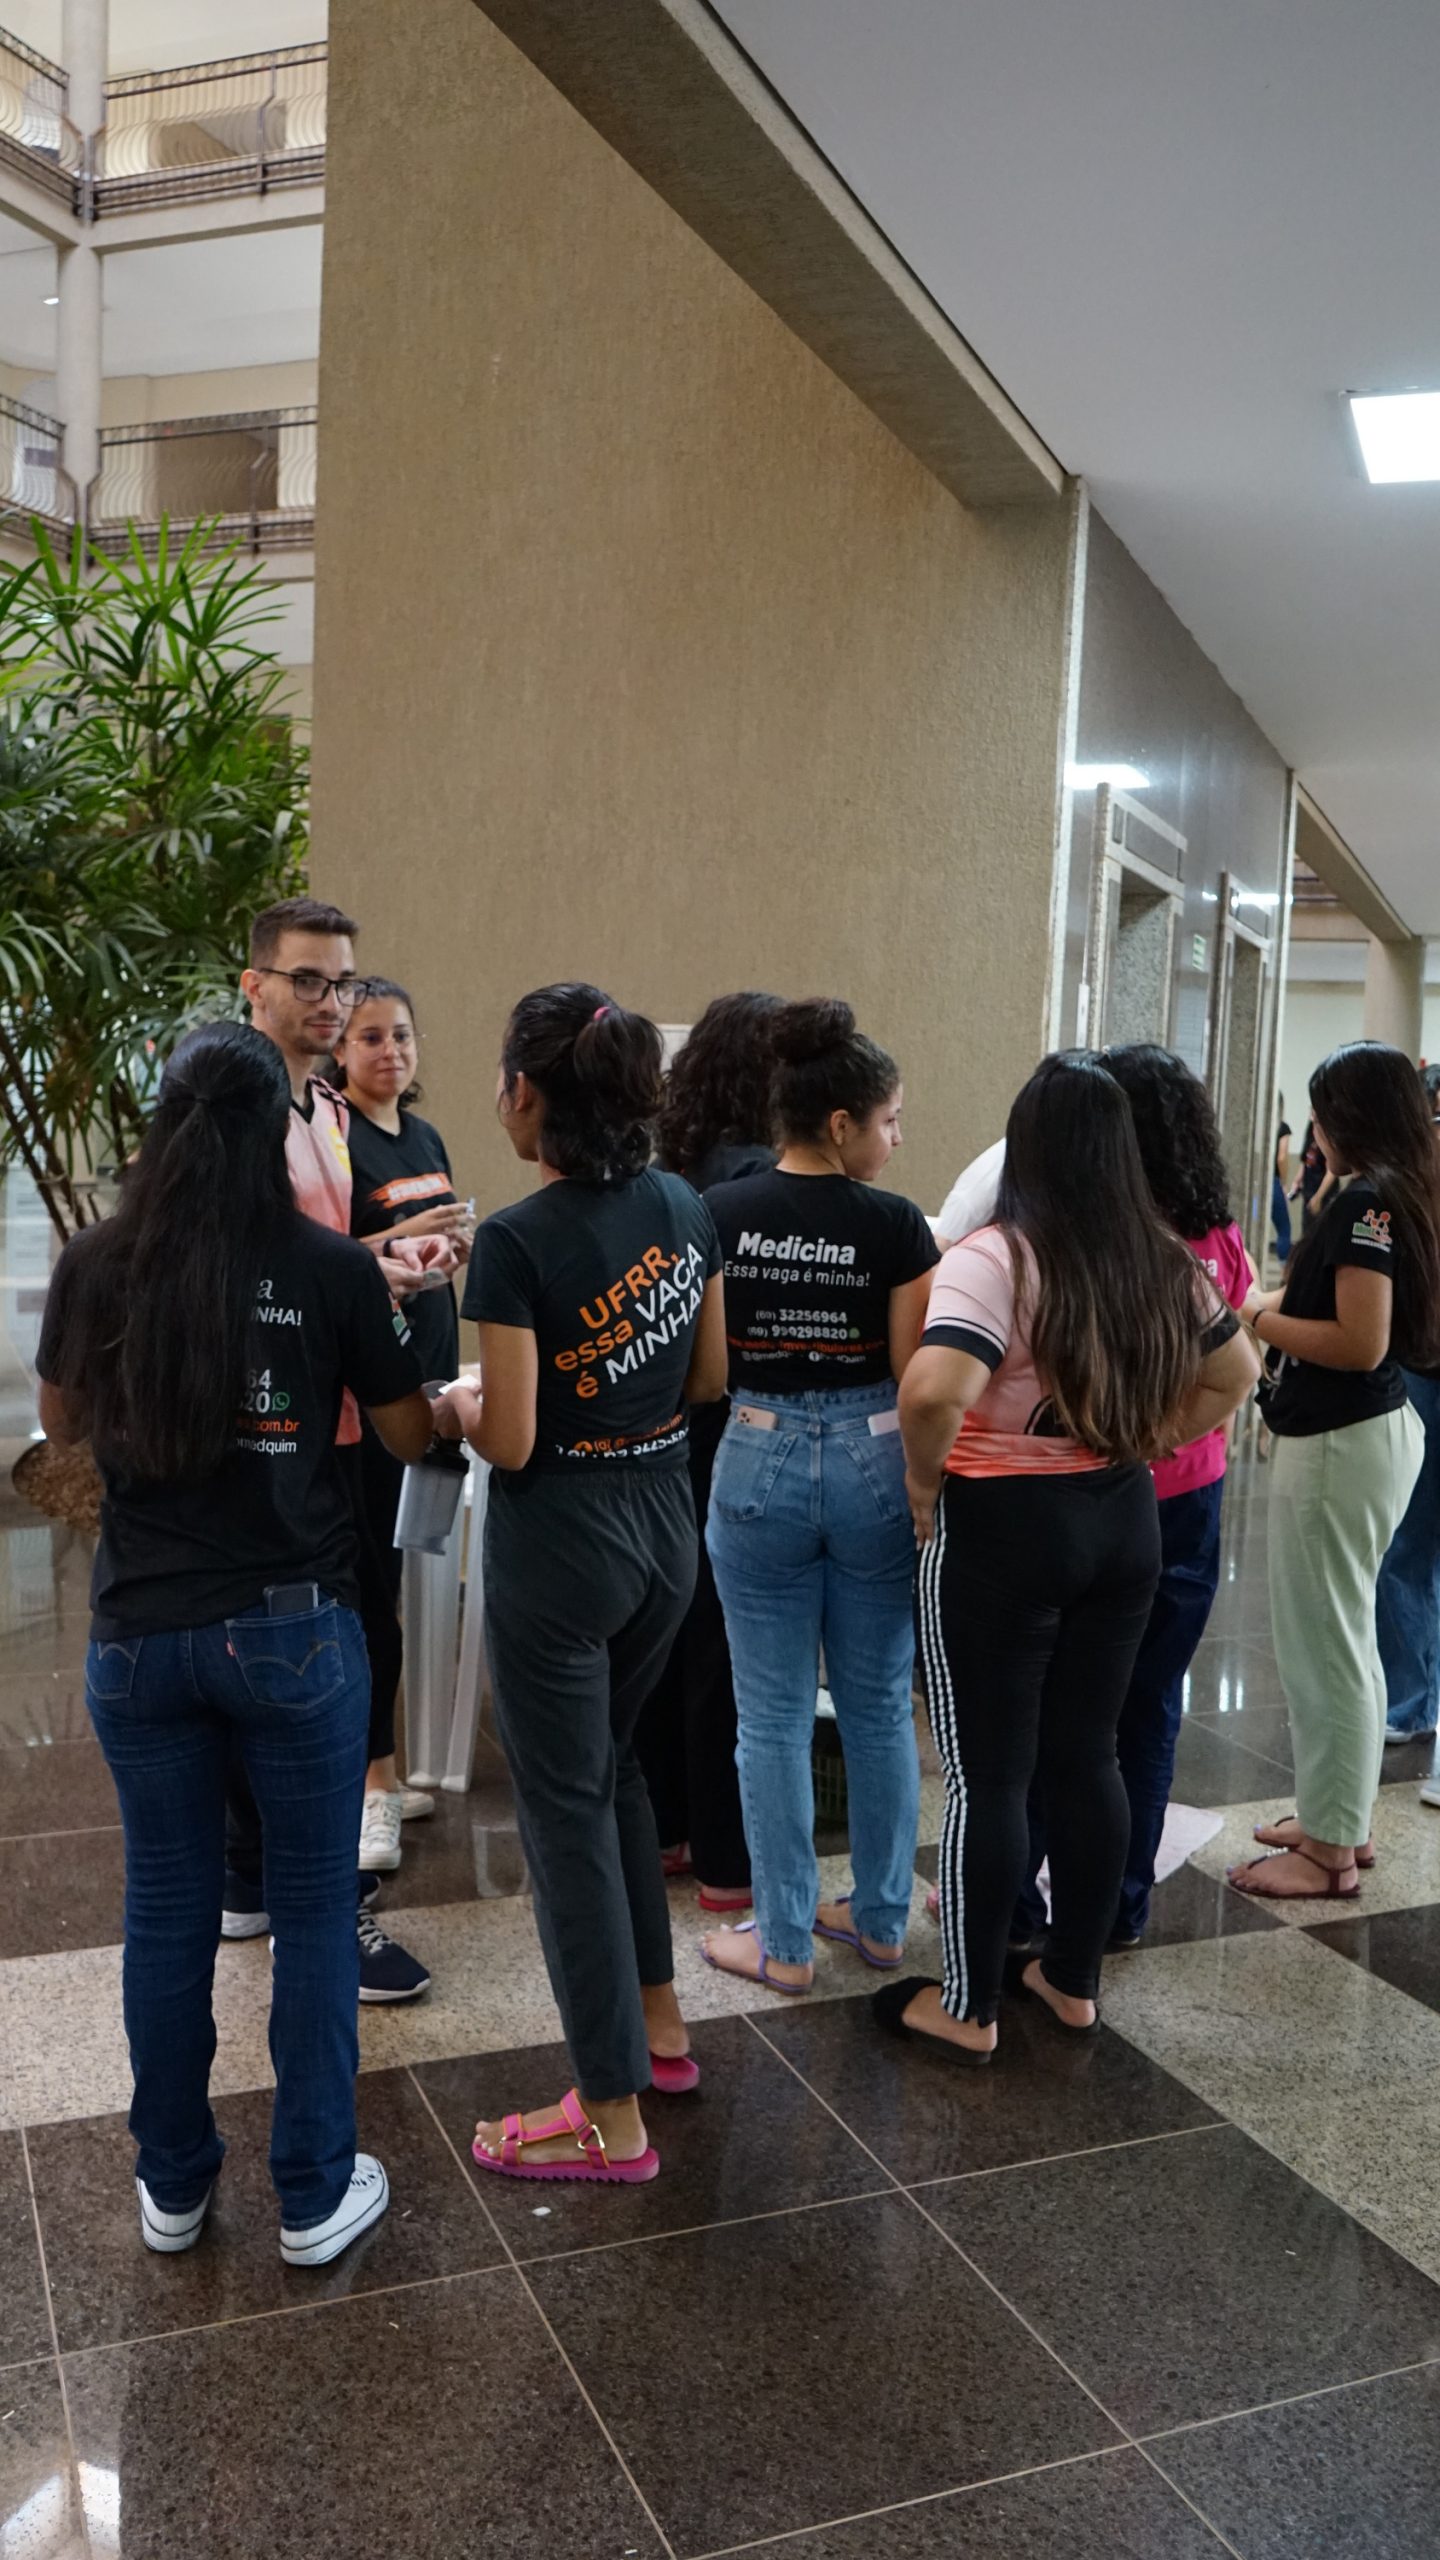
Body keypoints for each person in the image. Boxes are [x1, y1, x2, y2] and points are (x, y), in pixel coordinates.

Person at [35, 1024, 437, 2264]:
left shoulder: (97, 1263)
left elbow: (60, 1421)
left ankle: (171, 2184)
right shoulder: (327, 1267)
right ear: (281, 1133)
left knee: (167, 1909)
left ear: (164, 1122)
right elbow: (409, 1433)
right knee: (314, 1910)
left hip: (138, 1639)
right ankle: (313, 2192)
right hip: (292, 1631)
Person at [882, 1053, 1256, 2063]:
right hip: (1121, 1517)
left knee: (989, 1776)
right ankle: (1073, 1979)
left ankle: (968, 2007)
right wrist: (1151, 1436)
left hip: (1006, 1526)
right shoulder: (1160, 1255)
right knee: (1089, 1754)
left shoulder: (996, 1257)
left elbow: (933, 1390)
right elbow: (1237, 1370)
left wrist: (924, 1480)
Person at [446, 983, 727, 2183]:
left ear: (527, 1093)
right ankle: (658, 2027)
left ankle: (608, 2117)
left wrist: (460, 1405)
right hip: (665, 1524)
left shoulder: (515, 1243)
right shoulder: (685, 1205)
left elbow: (510, 1439)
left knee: (563, 1814)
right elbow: (705, 1375)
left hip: (562, 1545)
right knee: (614, 1771)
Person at [699, 997, 938, 1993]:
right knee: (879, 1704)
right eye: (889, 1120)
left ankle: (786, 1941)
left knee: (770, 1717)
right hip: (876, 1454)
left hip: (757, 1447)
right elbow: (914, 1376)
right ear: (840, 1125)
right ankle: (880, 1922)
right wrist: (921, 1485)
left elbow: (709, 1373)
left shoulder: (719, 1214)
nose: (897, 1138)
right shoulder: (898, 1227)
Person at [234, 897, 444, 2002]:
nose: (330, 1001)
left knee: (319, 1641)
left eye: (342, 982)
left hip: (331, 1415)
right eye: (308, 980)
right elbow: (249, 1266)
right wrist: (370, 1271)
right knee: (316, 1662)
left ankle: (251, 1878)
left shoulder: (320, 1102)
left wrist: (378, 1267)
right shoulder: (234, 1105)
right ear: (254, 985)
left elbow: (316, 1254)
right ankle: (323, 1913)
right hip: (277, 1427)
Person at [1011, 1045, 1255, 1951]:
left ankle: (1020, 1898)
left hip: (1110, 1490)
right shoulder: (1219, 1234)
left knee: (1061, 1709)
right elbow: (1237, 1353)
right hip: (1196, 1493)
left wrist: (1138, 1438)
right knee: (1150, 1706)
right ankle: (1121, 1904)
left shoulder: (1115, 1239)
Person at [1234, 1041, 1440, 1896]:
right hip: (1367, 1435)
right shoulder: (1393, 1192)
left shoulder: (1365, 1201)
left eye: (1321, 1113)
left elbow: (1360, 1341)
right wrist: (1263, 1303)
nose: (1313, 1131)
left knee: (1328, 1645)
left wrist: (1251, 1317)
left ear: (1348, 1116)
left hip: (1340, 1441)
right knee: (1340, 1638)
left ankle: (1328, 1849)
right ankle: (1336, 1818)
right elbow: (1339, 1302)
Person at [634, 990, 783, 1911]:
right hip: (742, 1426)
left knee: (669, 1632)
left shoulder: (670, 1173)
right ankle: (728, 1856)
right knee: (727, 1649)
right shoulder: (763, 1184)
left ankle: (666, 1827)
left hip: (668, 1432)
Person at [331, 976, 474, 1871]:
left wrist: (447, 1245)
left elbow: (424, 1250)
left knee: (404, 1578)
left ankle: (380, 1767)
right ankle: (372, 1783)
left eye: (403, 1035)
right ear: (341, 1050)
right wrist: (401, 1234)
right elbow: (324, 1259)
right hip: (369, 1395)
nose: (391, 1051)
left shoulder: (423, 1136)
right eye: (372, 1036)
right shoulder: (332, 1138)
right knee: (369, 1591)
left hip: (431, 1382)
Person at [1377, 1064, 1440, 1751]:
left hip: (1426, 1368)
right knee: (1411, 1542)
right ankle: (1413, 1694)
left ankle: (1414, 1698)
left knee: (1411, 1544)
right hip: (1422, 1367)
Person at [1289, 1116, 1337, 1233]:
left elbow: (1331, 1172)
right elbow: (1306, 1161)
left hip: (1323, 1196)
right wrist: (1297, 1180)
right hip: (1308, 1193)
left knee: (1320, 1232)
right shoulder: (1311, 1136)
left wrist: (1318, 1197)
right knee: (1307, 1232)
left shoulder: (1328, 1139)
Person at [1272, 1104, 1293, 1266]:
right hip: (1274, 1182)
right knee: (1284, 1228)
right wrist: (1284, 1181)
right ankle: (1284, 1269)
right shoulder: (1282, 1128)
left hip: (1259, 1181)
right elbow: (1282, 1157)